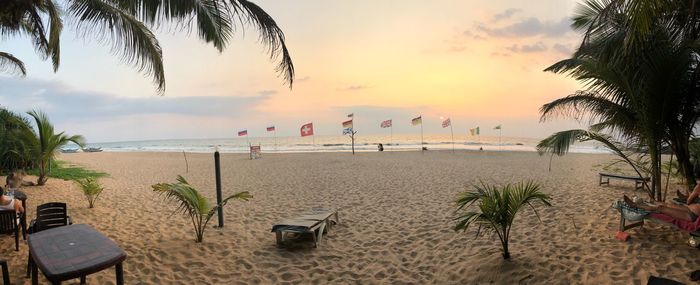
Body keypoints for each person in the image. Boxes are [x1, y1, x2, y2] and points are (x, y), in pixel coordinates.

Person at [624, 183, 700, 221]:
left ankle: (634, 205)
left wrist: (693, 197)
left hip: (692, 216)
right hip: (689, 210)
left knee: (661, 208)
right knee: (669, 204)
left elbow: (689, 202)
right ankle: (654, 201)